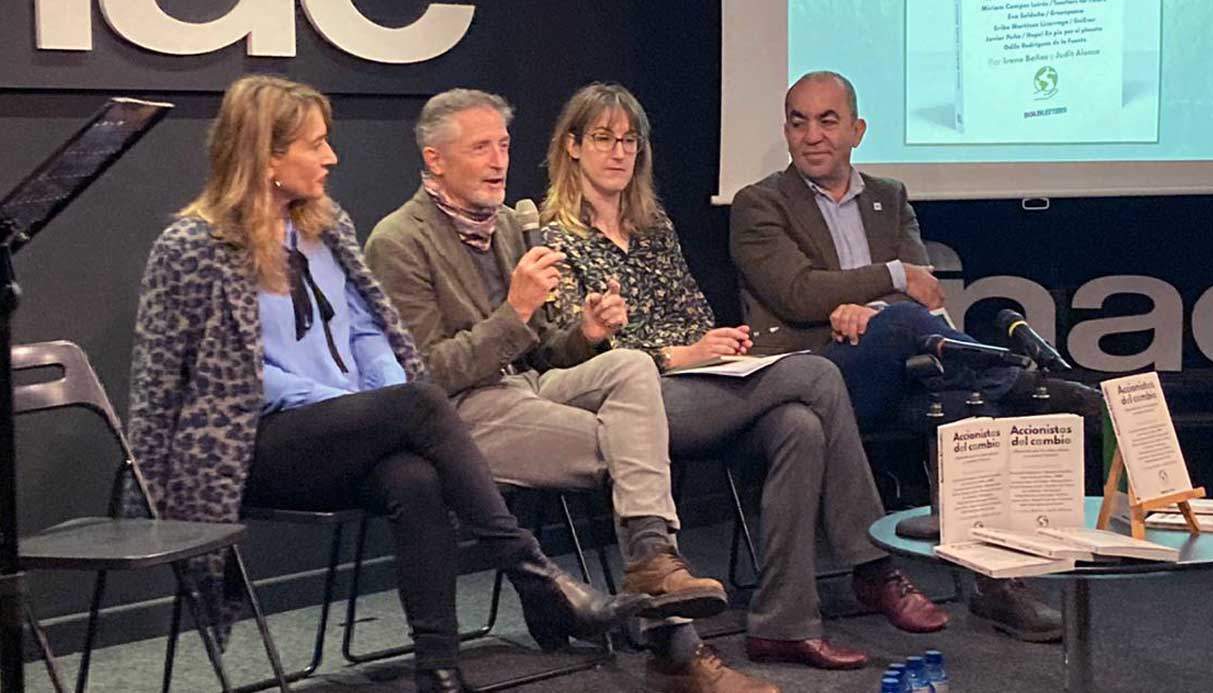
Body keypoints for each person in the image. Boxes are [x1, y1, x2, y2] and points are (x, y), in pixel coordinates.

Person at [125, 75, 648, 693]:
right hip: (250, 446)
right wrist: (363, 404)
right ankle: (536, 578)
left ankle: (440, 667)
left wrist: (379, 395)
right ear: (267, 156)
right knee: (419, 402)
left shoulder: (326, 228)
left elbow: (371, 335)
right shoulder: (191, 246)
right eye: (316, 145)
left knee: (415, 478)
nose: (331, 157)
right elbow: (191, 380)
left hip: (346, 428)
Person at [539, 82, 952, 675]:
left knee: (799, 425)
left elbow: (695, 319)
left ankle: (784, 625)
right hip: (632, 405)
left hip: (700, 389)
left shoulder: (654, 230)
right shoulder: (554, 239)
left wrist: (713, 346)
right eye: (603, 138)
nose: (618, 152)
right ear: (572, 147)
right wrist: (677, 355)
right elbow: (568, 357)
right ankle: (873, 565)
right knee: (813, 375)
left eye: (629, 140)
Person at [365, 89, 752, 693]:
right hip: (461, 417)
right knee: (636, 449)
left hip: (527, 388)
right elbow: (425, 379)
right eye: (480, 148)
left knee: (627, 366)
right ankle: (678, 648)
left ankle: (652, 560)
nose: (498, 161)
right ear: (435, 160)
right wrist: (514, 311)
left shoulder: (507, 229)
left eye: (503, 145)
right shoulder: (398, 242)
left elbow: (544, 350)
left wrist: (587, 331)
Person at [729, 70, 1104, 643]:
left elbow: (926, 292)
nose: (813, 135)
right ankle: (1026, 378)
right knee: (915, 328)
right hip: (814, 380)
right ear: (785, 131)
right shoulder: (759, 204)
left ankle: (998, 582)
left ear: (857, 130)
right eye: (799, 121)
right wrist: (891, 283)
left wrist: (866, 309)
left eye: (828, 121)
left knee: (968, 402)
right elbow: (797, 293)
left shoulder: (889, 197)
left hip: (897, 375)